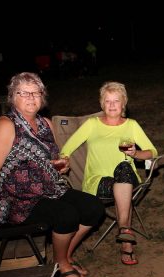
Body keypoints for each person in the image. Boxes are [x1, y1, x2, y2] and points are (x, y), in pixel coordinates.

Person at [0, 72, 104, 277]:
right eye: (23, 93)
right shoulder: (6, 125)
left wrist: (63, 165)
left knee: (94, 207)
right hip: (16, 200)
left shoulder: (46, 124)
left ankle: (64, 254)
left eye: (36, 92)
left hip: (50, 190)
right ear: (12, 97)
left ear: (43, 97)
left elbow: (53, 160)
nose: (31, 97)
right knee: (66, 215)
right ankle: (62, 265)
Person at [61, 81, 157, 265]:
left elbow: (152, 152)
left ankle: (123, 228)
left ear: (123, 104)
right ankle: (126, 240)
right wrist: (64, 161)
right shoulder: (91, 124)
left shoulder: (132, 125)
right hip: (99, 182)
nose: (112, 105)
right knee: (122, 185)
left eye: (116, 101)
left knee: (124, 168)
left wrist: (136, 153)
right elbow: (66, 149)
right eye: (107, 101)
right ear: (102, 104)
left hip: (127, 177)